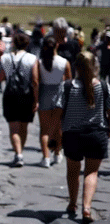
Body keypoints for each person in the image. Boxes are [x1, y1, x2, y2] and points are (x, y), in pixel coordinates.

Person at [54, 51, 109, 224]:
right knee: (92, 172)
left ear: (76, 67)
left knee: (73, 171)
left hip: (72, 135)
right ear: (95, 67)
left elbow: (58, 112)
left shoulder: (68, 86)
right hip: (96, 134)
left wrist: (56, 134)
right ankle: (87, 207)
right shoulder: (104, 87)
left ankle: (72, 203)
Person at [0, 32, 39, 168]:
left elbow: (1, 77)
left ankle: (18, 153)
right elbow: (35, 80)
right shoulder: (32, 58)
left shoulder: (5, 58)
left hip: (10, 94)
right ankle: (20, 151)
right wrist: (36, 99)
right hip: (26, 95)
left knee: (13, 127)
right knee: (24, 126)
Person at [38, 36, 72, 167]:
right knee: (58, 127)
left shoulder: (40, 62)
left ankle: (46, 156)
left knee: (44, 129)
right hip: (60, 93)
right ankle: (57, 153)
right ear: (56, 46)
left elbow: (38, 80)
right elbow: (69, 82)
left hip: (45, 94)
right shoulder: (64, 62)